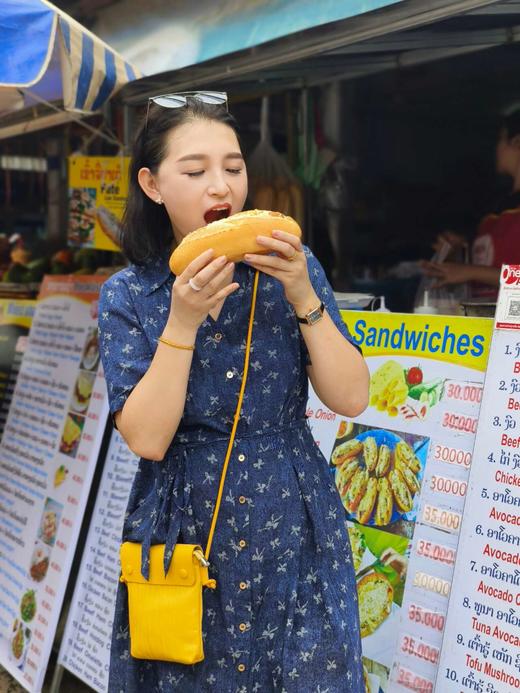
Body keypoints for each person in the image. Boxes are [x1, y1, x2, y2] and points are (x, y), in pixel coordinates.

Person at [98, 92, 369, 692]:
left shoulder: (294, 266)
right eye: (194, 172)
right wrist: (182, 321)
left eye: (233, 167)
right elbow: (145, 436)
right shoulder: (130, 295)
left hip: (293, 508)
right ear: (152, 185)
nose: (220, 186)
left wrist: (304, 295)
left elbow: (351, 398)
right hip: (184, 523)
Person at [421, 110, 520, 299]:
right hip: (479, 322)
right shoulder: (497, 206)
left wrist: (470, 271)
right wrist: (457, 254)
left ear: (517, 142)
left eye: (501, 139)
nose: (496, 148)